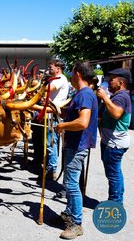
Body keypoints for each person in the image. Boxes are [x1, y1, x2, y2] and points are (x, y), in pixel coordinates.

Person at [55, 62, 98, 239]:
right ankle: (69, 214)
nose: (70, 76)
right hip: (74, 144)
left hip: (77, 145)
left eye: (72, 73)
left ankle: (77, 223)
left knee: (72, 185)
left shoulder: (85, 94)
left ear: (78, 74)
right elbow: (73, 116)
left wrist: (62, 125)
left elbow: (83, 122)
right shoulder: (81, 94)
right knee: (70, 182)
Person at [96, 68, 131, 205]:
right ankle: (117, 200)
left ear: (121, 82)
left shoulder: (121, 96)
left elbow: (116, 113)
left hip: (114, 144)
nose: (109, 81)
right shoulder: (119, 96)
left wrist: (105, 97)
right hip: (112, 142)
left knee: (113, 174)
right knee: (115, 173)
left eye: (112, 79)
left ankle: (116, 202)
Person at [33, 60, 69, 179]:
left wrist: (39, 87)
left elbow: (48, 89)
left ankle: (51, 169)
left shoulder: (60, 79)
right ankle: (48, 166)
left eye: (51, 67)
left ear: (58, 69)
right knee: (48, 144)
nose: (49, 69)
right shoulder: (54, 79)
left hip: (52, 116)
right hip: (48, 115)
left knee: (51, 144)